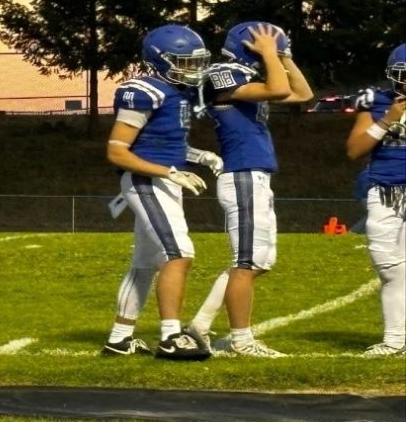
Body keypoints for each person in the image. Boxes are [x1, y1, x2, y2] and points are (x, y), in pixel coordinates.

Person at [186, 22, 314, 357]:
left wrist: (282, 56)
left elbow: (302, 94)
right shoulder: (223, 74)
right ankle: (241, 339)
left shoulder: (247, 73)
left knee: (258, 260)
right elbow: (275, 89)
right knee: (246, 261)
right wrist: (271, 55)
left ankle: (199, 326)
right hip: (241, 174)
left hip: (254, 175)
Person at [101, 24, 214, 360]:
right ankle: (170, 336)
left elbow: (165, 144)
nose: (194, 70)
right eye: (185, 62)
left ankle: (120, 339)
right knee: (179, 254)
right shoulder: (144, 91)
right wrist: (169, 172)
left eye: (197, 62)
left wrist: (200, 156)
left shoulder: (178, 92)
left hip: (163, 179)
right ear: (160, 61)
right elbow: (117, 151)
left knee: (145, 263)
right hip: (146, 181)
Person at [344, 44, 405, 356]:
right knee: (388, 265)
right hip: (384, 189)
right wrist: (387, 121)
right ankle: (396, 340)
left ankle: (396, 340)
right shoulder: (377, 100)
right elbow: (354, 150)